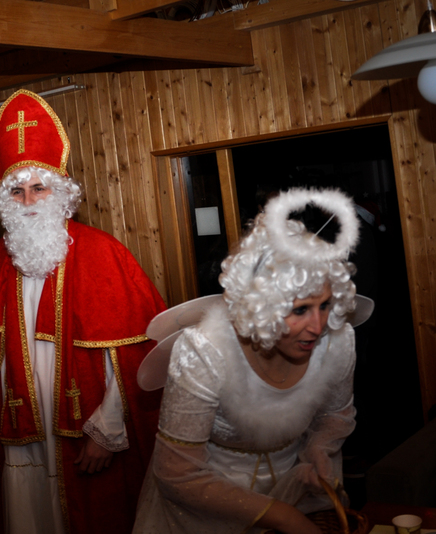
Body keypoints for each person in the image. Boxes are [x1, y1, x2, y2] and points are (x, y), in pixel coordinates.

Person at [0, 89, 166, 534]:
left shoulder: (102, 252)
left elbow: (135, 357)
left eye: (38, 188)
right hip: (22, 432)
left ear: (60, 192)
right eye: (16, 191)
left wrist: (106, 432)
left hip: (87, 430)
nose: (28, 201)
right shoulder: (0, 257)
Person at [133, 188, 360, 534]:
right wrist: (284, 517)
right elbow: (177, 472)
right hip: (207, 505)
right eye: (300, 310)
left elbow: (334, 416)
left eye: (325, 305)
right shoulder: (204, 351)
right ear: (262, 307)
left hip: (295, 491)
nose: (317, 326)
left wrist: (317, 450)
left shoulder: (338, 342)